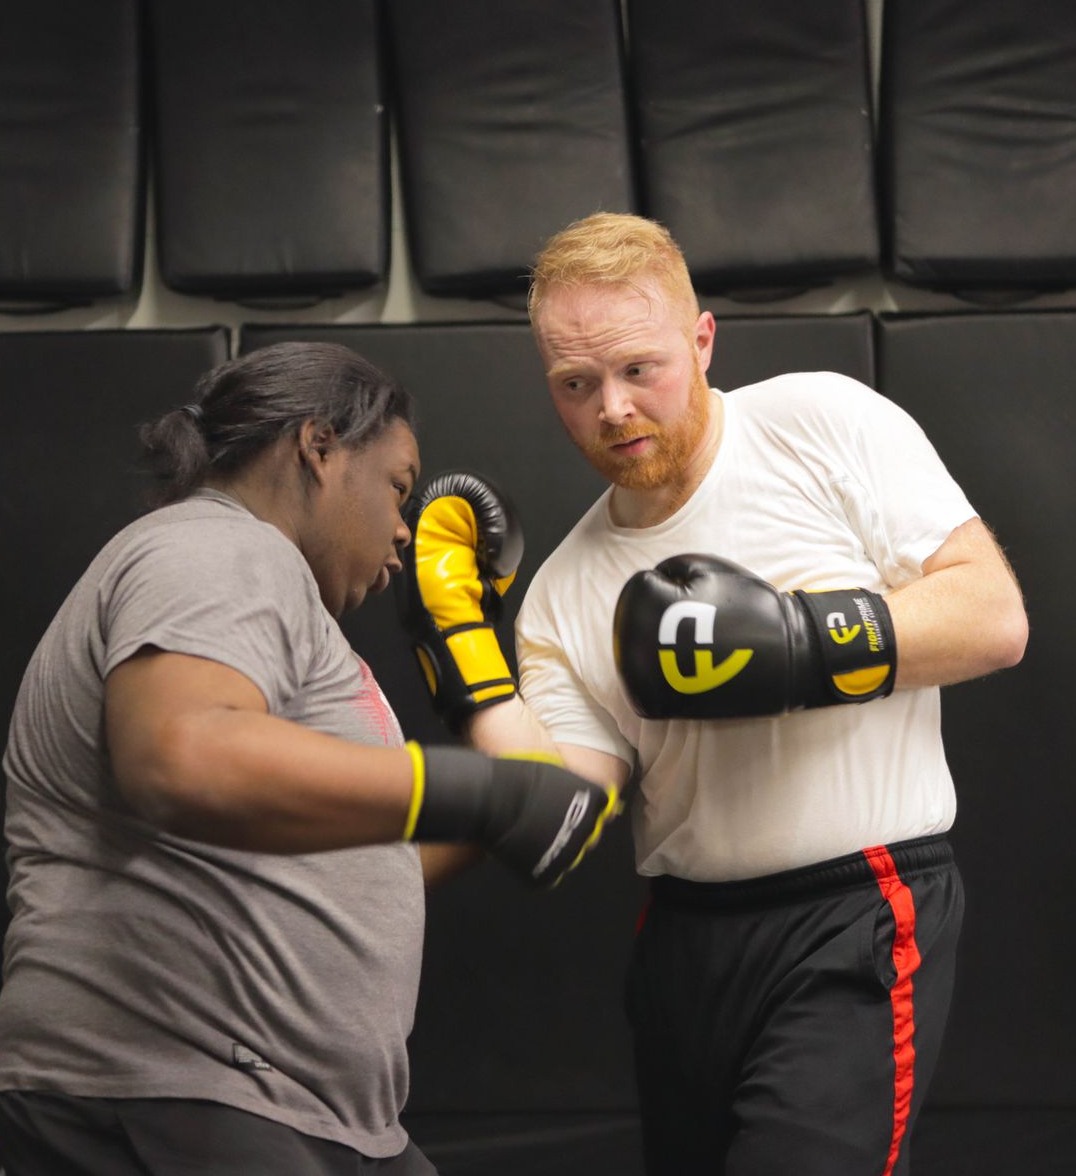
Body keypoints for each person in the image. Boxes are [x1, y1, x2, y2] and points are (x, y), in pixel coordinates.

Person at [395, 215, 1028, 1175]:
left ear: (700, 341)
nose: (611, 408)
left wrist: (794, 642)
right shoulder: (565, 590)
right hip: (685, 946)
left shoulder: (821, 423)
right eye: (576, 384)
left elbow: (992, 618)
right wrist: (468, 667)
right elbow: (561, 809)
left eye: (638, 368)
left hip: (857, 910)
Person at [0, 342, 619, 1176]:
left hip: (284, 1107)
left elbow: (362, 863)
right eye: (398, 486)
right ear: (318, 447)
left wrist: (533, 784)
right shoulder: (218, 550)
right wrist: (482, 791)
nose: (403, 528)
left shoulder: (275, 610)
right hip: (184, 1084)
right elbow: (183, 757)